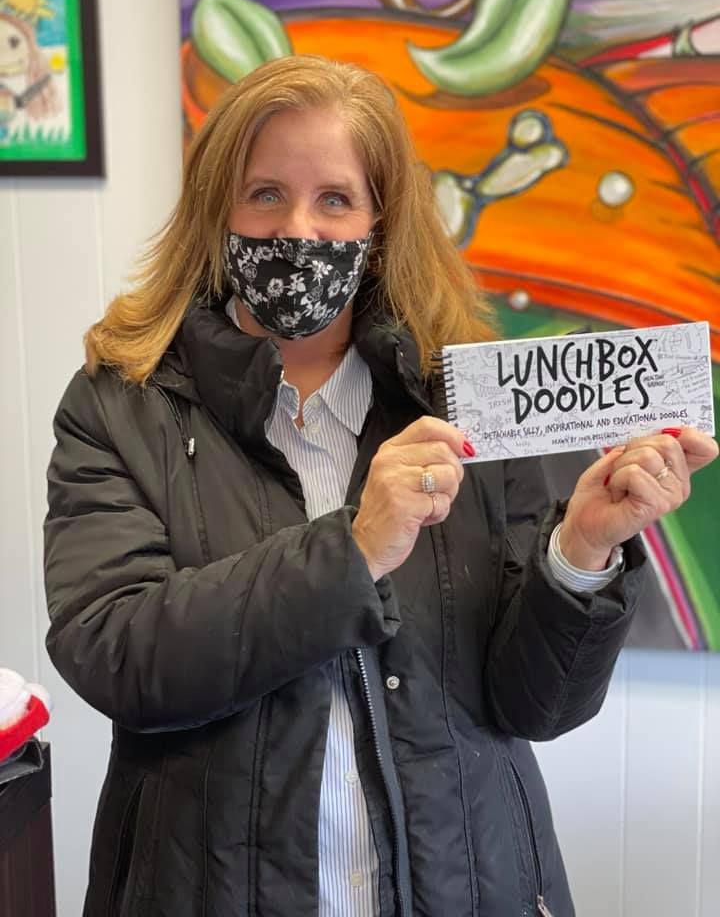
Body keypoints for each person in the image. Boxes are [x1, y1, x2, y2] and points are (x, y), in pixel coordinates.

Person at [44, 54, 717, 917]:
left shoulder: (465, 398)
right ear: (216, 207)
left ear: (381, 222)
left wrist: (581, 552)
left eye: (335, 199)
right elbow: (115, 654)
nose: (298, 229)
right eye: (264, 194)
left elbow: (536, 706)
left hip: (465, 884)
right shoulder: (121, 401)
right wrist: (353, 551)